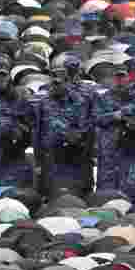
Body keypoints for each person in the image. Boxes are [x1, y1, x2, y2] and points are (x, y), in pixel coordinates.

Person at [92, 63, 135, 199]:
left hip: (130, 144)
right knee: (106, 180)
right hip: (109, 144)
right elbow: (96, 118)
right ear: (112, 78)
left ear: (128, 78)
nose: (119, 80)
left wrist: (130, 116)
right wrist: (114, 115)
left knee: (129, 180)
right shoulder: (103, 97)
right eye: (116, 77)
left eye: (122, 76)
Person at [37, 62, 94, 198]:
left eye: (60, 83)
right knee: (52, 189)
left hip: (74, 153)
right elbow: (37, 131)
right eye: (54, 83)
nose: (56, 86)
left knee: (76, 189)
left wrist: (78, 138)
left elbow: (87, 126)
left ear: (66, 83)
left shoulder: (79, 101)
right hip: (51, 154)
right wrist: (38, 157)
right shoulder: (43, 103)